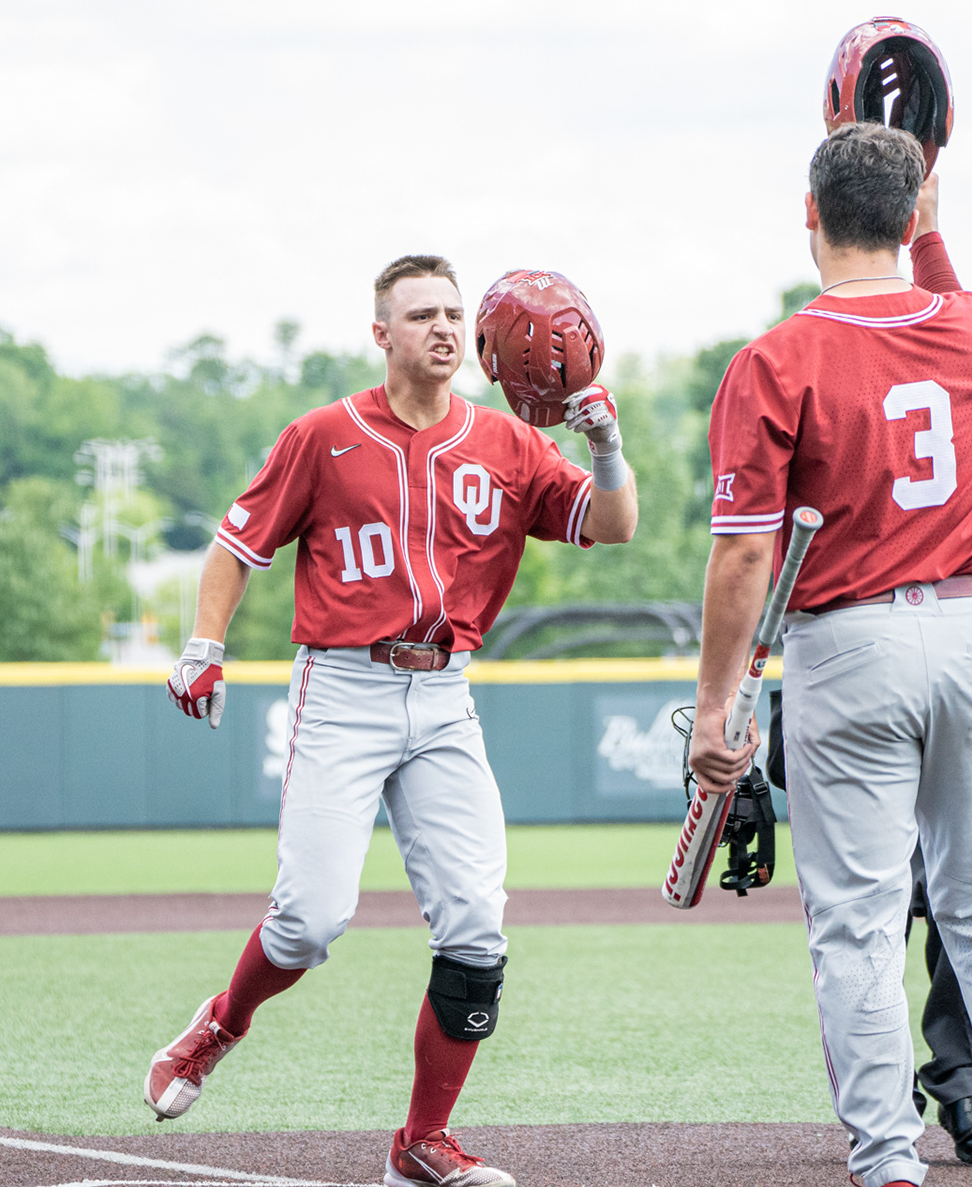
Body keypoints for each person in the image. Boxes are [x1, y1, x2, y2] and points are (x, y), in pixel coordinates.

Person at [155, 254, 637, 1187]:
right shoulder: (324, 436)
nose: (445, 329)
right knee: (307, 924)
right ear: (383, 335)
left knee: (477, 932)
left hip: (446, 694)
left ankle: (421, 1141)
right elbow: (236, 544)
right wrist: (204, 647)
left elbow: (611, 526)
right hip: (344, 689)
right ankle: (220, 1025)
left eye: (456, 314)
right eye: (421, 316)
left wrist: (606, 444)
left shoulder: (506, 443)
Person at [689, 123, 972, 1187]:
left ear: (809, 217)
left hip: (850, 637)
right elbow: (948, 286)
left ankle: (887, 1157)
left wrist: (715, 703)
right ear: (914, 221)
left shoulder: (774, 357)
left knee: (857, 918)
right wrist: (932, 214)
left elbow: (741, 559)